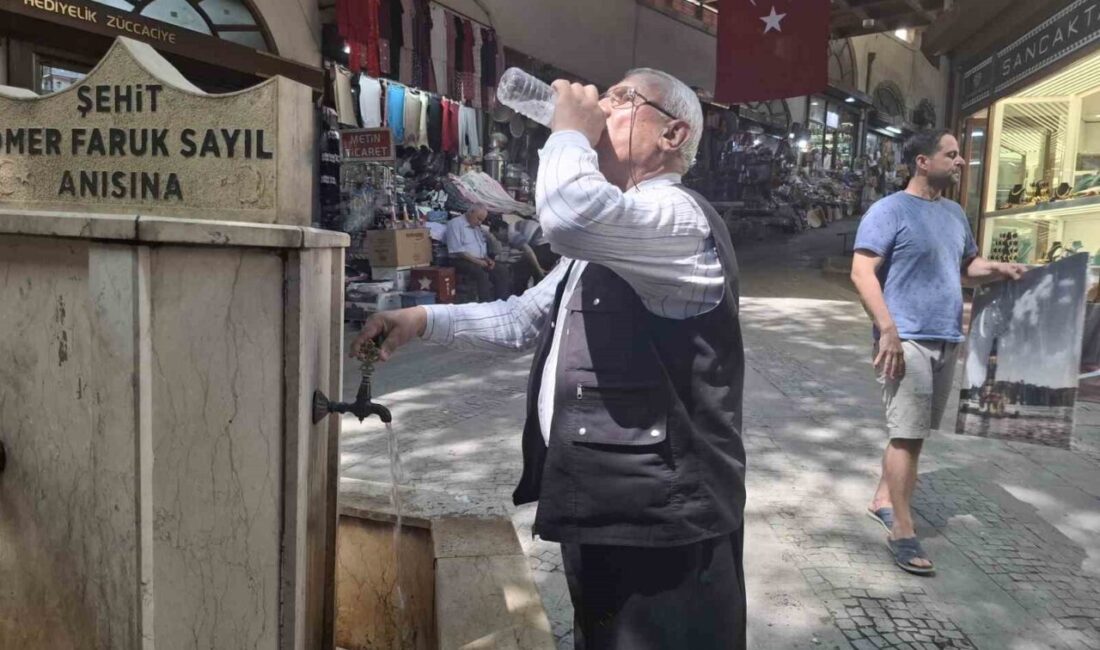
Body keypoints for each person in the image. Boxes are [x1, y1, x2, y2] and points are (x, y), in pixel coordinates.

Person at [353, 67, 746, 649]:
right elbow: (522, 318)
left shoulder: (677, 218)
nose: (602, 106)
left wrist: (567, 129)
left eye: (623, 99)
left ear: (674, 135)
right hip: (608, 500)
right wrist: (420, 320)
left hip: (664, 516)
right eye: (604, 96)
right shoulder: (614, 232)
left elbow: (568, 214)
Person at [851, 129, 1027, 576]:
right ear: (922, 162)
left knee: (915, 432)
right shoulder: (888, 210)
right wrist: (887, 330)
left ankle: (883, 499)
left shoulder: (954, 214)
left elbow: (967, 266)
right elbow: (862, 272)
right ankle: (903, 531)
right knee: (907, 434)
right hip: (905, 338)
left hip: (946, 336)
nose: (961, 161)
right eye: (951, 154)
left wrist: (998, 269)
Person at [445, 206, 507, 301]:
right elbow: (458, 251)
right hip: (460, 260)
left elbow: (481, 249)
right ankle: (485, 305)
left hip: (478, 259)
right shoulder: (455, 224)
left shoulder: (477, 227)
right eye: (478, 219)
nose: (479, 222)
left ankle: (501, 302)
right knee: (481, 274)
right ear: (471, 212)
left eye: (482, 220)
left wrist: (488, 259)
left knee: (502, 270)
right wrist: (478, 262)